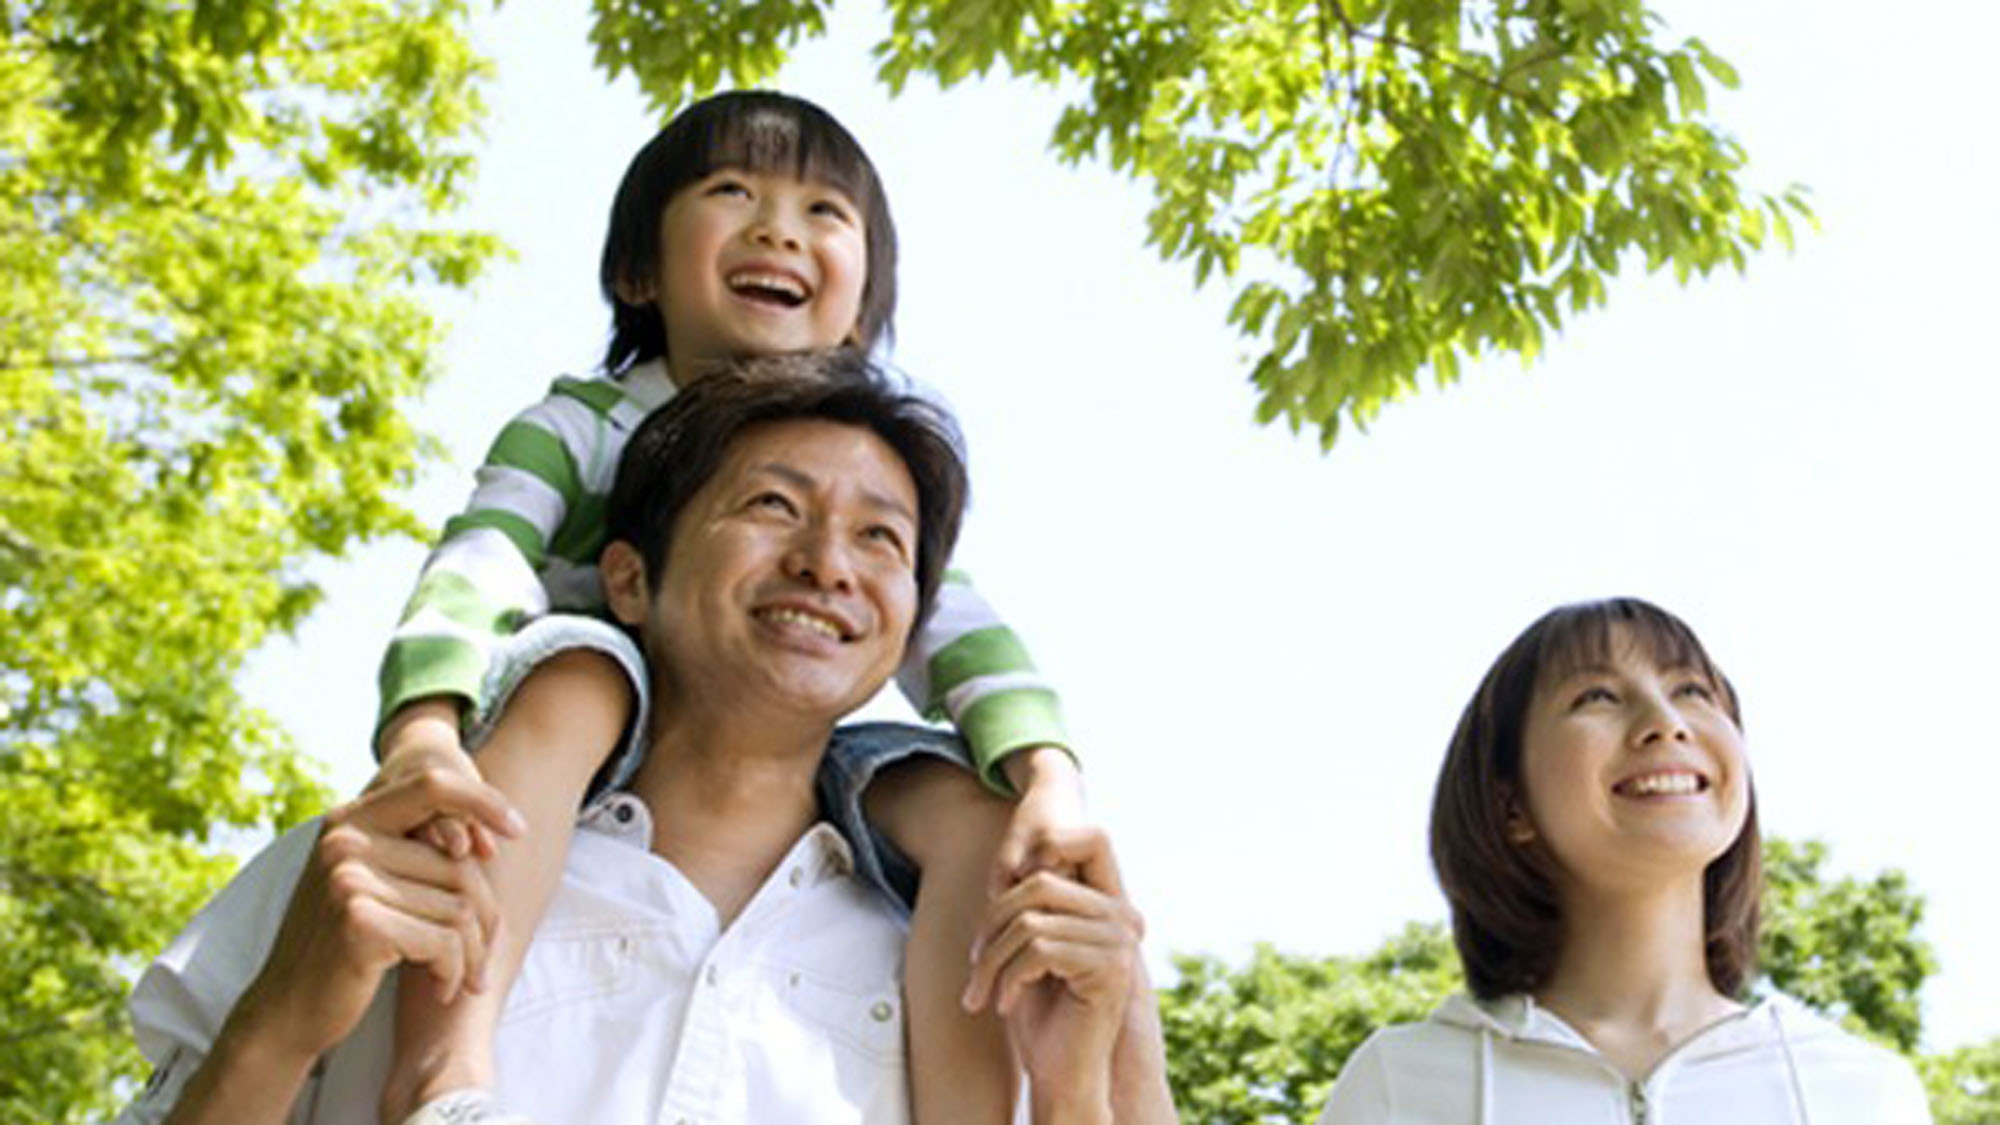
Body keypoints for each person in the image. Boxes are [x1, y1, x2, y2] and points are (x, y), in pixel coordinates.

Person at [114, 362, 1171, 1125]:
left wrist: (1074, 1095)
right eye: (772, 505)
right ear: (627, 577)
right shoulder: (384, 871)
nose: (826, 564)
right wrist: (275, 1028)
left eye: (879, 537)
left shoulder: (980, 964)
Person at [367, 92, 1091, 1122]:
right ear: (638, 272)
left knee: (979, 815)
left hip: (798, 734)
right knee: (577, 680)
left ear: (861, 305)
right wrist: (425, 726)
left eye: (822, 212)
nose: (777, 229)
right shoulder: (582, 420)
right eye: (731, 192)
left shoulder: (868, 465)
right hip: (607, 709)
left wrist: (1047, 781)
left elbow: (961, 633)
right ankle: (444, 1074)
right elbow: (482, 557)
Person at [1316, 597, 1932, 1124]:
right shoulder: (1398, 1087)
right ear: (1511, 807)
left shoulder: (1861, 1092)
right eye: (1598, 696)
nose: (1665, 723)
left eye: (1691, 691)